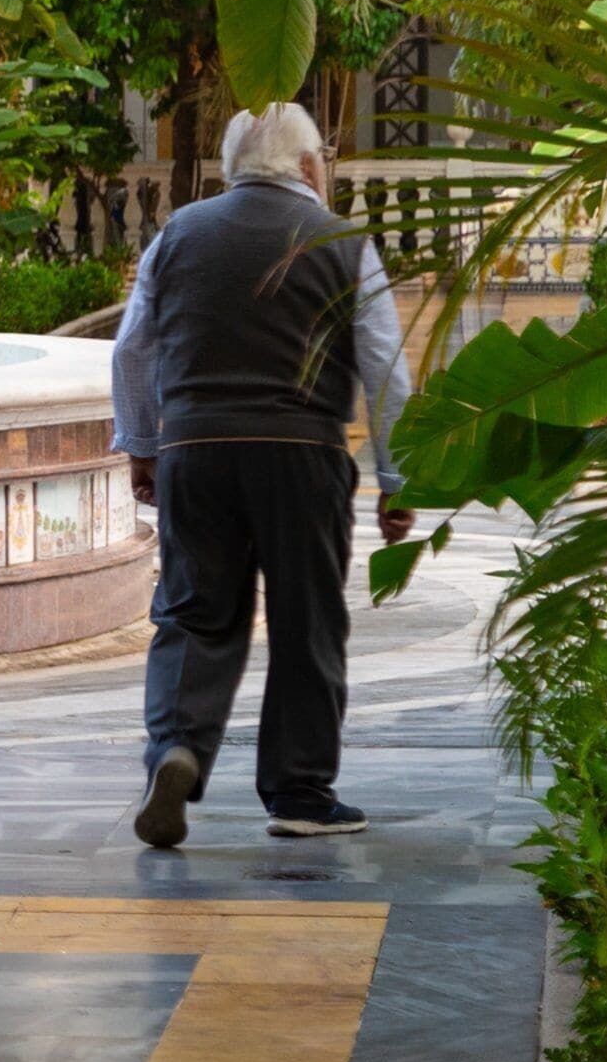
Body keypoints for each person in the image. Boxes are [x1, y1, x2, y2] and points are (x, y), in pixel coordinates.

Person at [115, 102, 413, 847]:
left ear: (231, 165)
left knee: (192, 614)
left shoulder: (179, 234)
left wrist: (144, 446)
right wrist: (401, 483)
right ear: (312, 167)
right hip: (301, 454)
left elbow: (132, 351)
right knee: (306, 620)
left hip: (196, 451)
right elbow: (385, 372)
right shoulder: (344, 240)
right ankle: (300, 792)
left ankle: (177, 747)